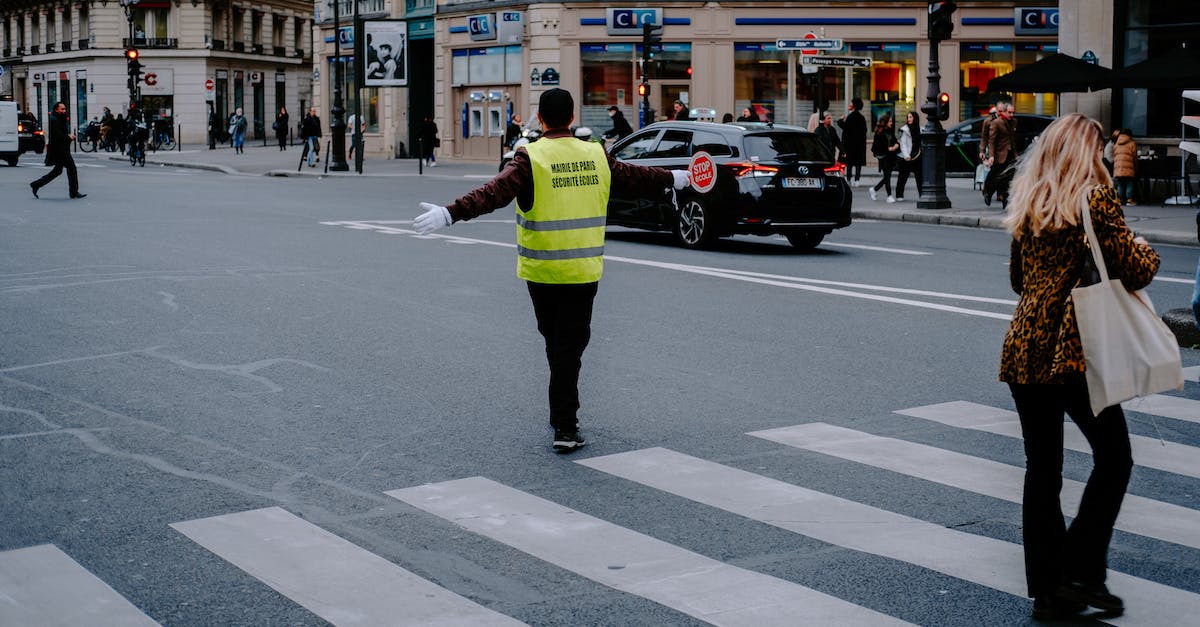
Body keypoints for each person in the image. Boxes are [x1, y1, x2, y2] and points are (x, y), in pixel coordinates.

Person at [411, 88, 690, 453]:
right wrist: (676, 178)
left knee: (558, 345)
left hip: (541, 273)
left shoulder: (531, 157)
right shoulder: (596, 155)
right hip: (581, 272)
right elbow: (637, 176)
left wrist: (450, 213)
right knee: (568, 350)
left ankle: (563, 417)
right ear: (573, 118)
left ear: (540, 120)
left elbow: (493, 193)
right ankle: (564, 423)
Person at [999, 113, 1158, 622]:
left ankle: (1050, 590)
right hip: (1074, 350)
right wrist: (1148, 254)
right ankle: (1083, 570)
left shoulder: (1027, 203)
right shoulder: (1096, 197)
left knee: (1042, 471)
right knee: (1115, 459)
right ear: (1089, 153)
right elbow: (1130, 269)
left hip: (1025, 347)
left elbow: (1019, 280)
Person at [30, 101, 85, 199]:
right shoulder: (55, 119)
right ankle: (74, 192)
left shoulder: (58, 118)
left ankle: (36, 184)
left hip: (61, 148)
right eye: (62, 109)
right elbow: (57, 135)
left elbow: (59, 133)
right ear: (56, 109)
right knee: (72, 168)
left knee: (57, 171)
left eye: (65, 109)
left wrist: (68, 136)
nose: (64, 111)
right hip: (60, 149)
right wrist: (69, 137)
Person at [984, 101, 1018, 206]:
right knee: (995, 175)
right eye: (1009, 112)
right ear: (1004, 112)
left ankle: (1005, 199)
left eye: (1013, 113)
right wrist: (991, 156)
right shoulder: (996, 122)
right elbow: (991, 141)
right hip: (999, 154)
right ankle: (988, 192)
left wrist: (1016, 153)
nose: (1011, 115)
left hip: (1010, 153)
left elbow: (1012, 138)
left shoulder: (1014, 121)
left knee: (1008, 177)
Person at [837, 97, 868, 186]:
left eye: (851, 103)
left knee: (849, 162)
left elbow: (846, 129)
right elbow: (864, 131)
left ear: (854, 105)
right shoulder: (861, 117)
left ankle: (849, 179)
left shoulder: (850, 117)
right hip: (859, 144)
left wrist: (840, 121)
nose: (849, 104)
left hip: (850, 144)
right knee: (858, 163)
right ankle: (857, 180)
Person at [869, 113, 898, 203]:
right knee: (887, 177)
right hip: (883, 158)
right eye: (889, 121)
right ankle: (889, 196)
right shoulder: (879, 133)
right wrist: (888, 149)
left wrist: (895, 146)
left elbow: (896, 142)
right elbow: (877, 146)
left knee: (887, 176)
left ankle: (874, 189)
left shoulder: (890, 131)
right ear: (885, 122)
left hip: (891, 157)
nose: (891, 123)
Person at [895, 111, 924, 201]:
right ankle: (899, 195)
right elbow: (903, 144)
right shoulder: (905, 130)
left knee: (920, 177)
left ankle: (922, 195)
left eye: (911, 117)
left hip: (918, 157)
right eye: (908, 117)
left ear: (915, 118)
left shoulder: (921, 129)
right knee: (902, 177)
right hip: (907, 158)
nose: (909, 119)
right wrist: (906, 156)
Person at [1111, 129, 1137, 205]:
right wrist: (1136, 167)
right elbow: (1134, 156)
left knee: (1120, 183)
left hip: (1118, 167)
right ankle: (1129, 200)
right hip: (1128, 167)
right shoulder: (1132, 143)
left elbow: (1114, 155)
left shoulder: (1116, 143)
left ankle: (1119, 199)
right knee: (1129, 183)